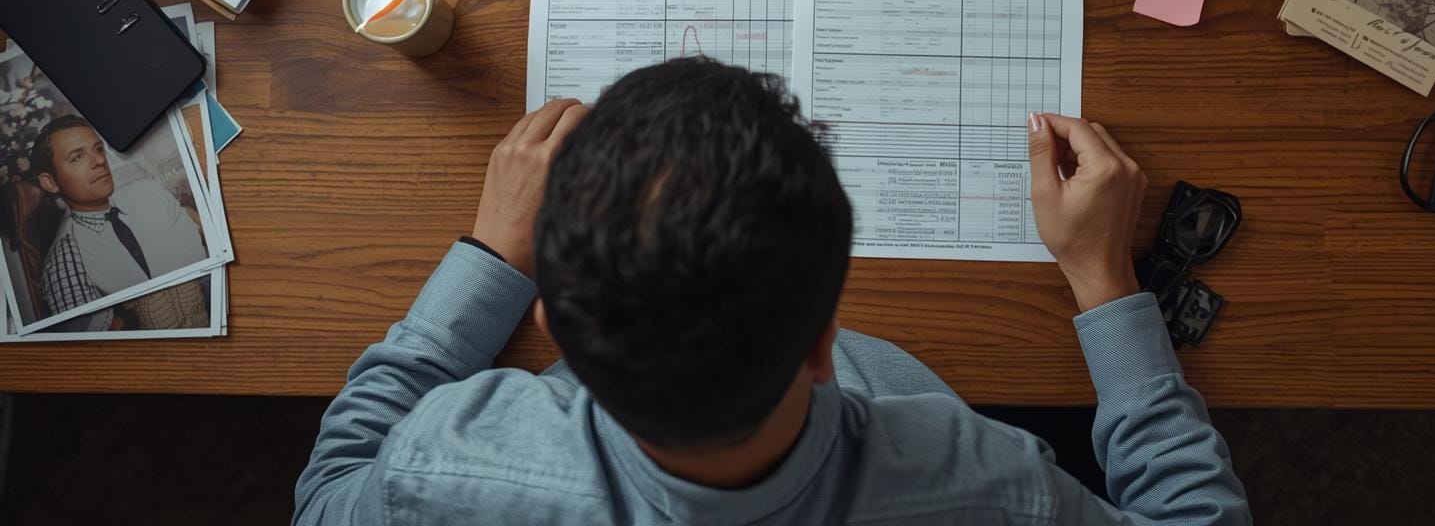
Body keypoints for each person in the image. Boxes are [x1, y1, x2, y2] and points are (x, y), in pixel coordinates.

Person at [295, 59, 1249, 525]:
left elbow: (328, 494)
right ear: (826, 340)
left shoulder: (449, 469)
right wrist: (1105, 278)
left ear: (552, 324)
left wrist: (488, 256)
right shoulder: (979, 479)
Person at [29, 115, 208, 331]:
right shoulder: (63, 266)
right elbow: (102, 349)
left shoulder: (149, 193)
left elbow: (204, 270)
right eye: (77, 157)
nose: (99, 160)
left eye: (98, 149)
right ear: (50, 182)